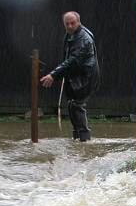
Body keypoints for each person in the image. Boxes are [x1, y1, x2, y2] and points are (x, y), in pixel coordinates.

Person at [40, 11, 100, 142]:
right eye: (67, 24)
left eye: (72, 23)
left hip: (85, 77)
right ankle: (77, 137)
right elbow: (68, 58)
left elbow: (72, 60)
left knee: (77, 105)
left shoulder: (83, 39)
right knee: (72, 105)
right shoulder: (71, 34)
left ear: (79, 21)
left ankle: (84, 139)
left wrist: (53, 75)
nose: (70, 26)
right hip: (76, 75)